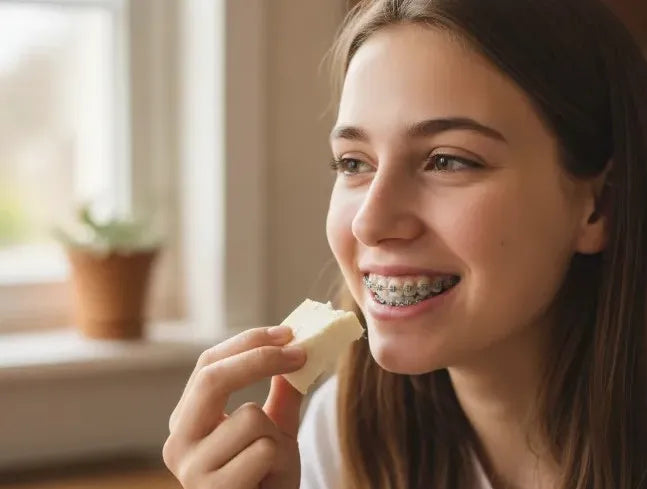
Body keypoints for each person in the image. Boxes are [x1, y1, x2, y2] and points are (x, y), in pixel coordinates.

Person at [162, 0, 647, 488]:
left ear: (598, 206)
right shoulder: (338, 437)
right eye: (353, 163)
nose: (369, 223)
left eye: (448, 161)